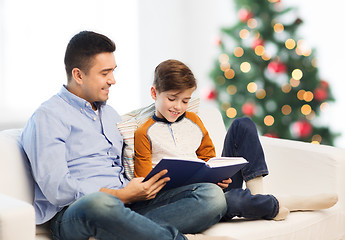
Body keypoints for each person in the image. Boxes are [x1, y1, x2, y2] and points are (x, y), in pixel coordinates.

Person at [20, 31, 231, 240]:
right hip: (77, 212)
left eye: (113, 71)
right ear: (78, 75)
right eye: (105, 73)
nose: (113, 80)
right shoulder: (48, 117)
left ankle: (122, 231)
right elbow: (58, 189)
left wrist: (142, 188)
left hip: (130, 205)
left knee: (210, 196)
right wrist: (120, 195)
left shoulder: (111, 115)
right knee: (100, 204)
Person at [134, 59, 338, 221]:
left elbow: (208, 158)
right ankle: (280, 204)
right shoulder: (144, 132)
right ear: (154, 93)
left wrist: (217, 175)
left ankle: (258, 197)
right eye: (172, 99)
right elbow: (145, 183)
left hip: (213, 187)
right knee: (230, 200)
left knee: (243, 124)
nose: (178, 106)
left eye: (185, 100)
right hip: (194, 199)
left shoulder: (194, 121)